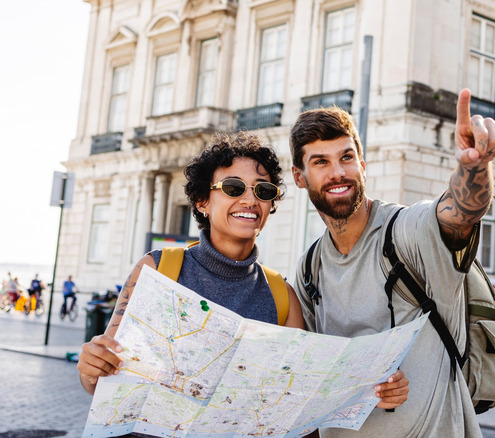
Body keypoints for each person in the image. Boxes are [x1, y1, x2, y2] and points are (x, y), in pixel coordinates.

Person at [75, 132, 410, 413]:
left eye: (262, 191)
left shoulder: (283, 295)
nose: (250, 200)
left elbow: (304, 394)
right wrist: (91, 368)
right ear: (203, 201)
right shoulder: (157, 270)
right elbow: (103, 379)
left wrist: (371, 391)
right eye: (234, 188)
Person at [290, 88, 495, 437]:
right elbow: (307, 376)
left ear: (362, 164)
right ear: (300, 178)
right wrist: (360, 388)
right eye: (320, 162)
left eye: (346, 158)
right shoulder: (308, 267)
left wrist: (475, 167)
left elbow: (459, 214)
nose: (338, 172)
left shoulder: (407, 232)